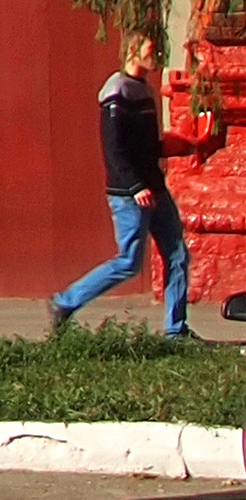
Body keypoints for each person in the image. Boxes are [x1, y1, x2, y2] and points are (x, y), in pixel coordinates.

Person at [49, 35, 190, 340]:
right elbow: (114, 149)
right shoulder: (117, 91)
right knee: (129, 261)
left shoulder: (144, 91)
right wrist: (136, 185)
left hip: (155, 188)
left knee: (177, 254)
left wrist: (184, 146)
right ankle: (64, 301)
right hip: (130, 195)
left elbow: (148, 147)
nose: (158, 55)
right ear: (132, 51)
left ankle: (175, 332)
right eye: (152, 50)